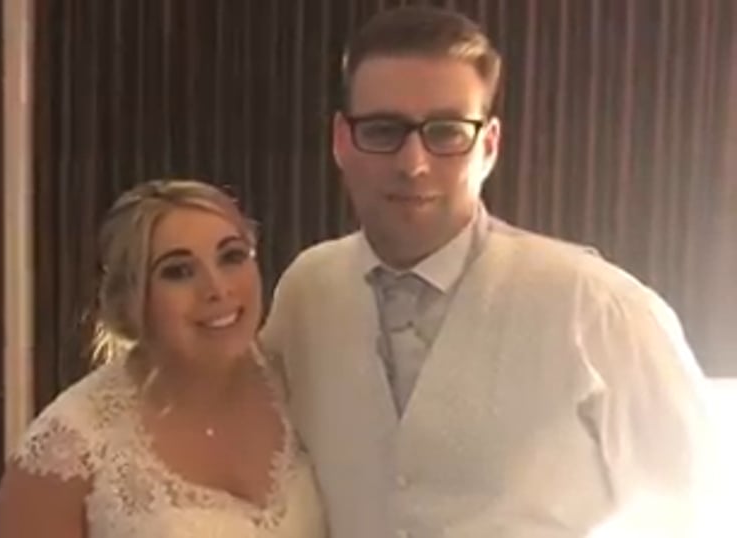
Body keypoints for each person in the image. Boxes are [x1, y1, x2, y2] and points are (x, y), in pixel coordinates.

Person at [260, 5, 719, 538]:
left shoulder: (597, 307)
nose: (414, 164)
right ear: (342, 141)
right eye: (383, 130)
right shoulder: (306, 290)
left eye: (447, 132)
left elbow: (691, 511)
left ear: (489, 146)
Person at [0, 180, 325, 537]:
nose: (217, 289)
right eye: (179, 271)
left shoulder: (297, 379)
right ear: (132, 296)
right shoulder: (67, 450)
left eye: (231, 256)